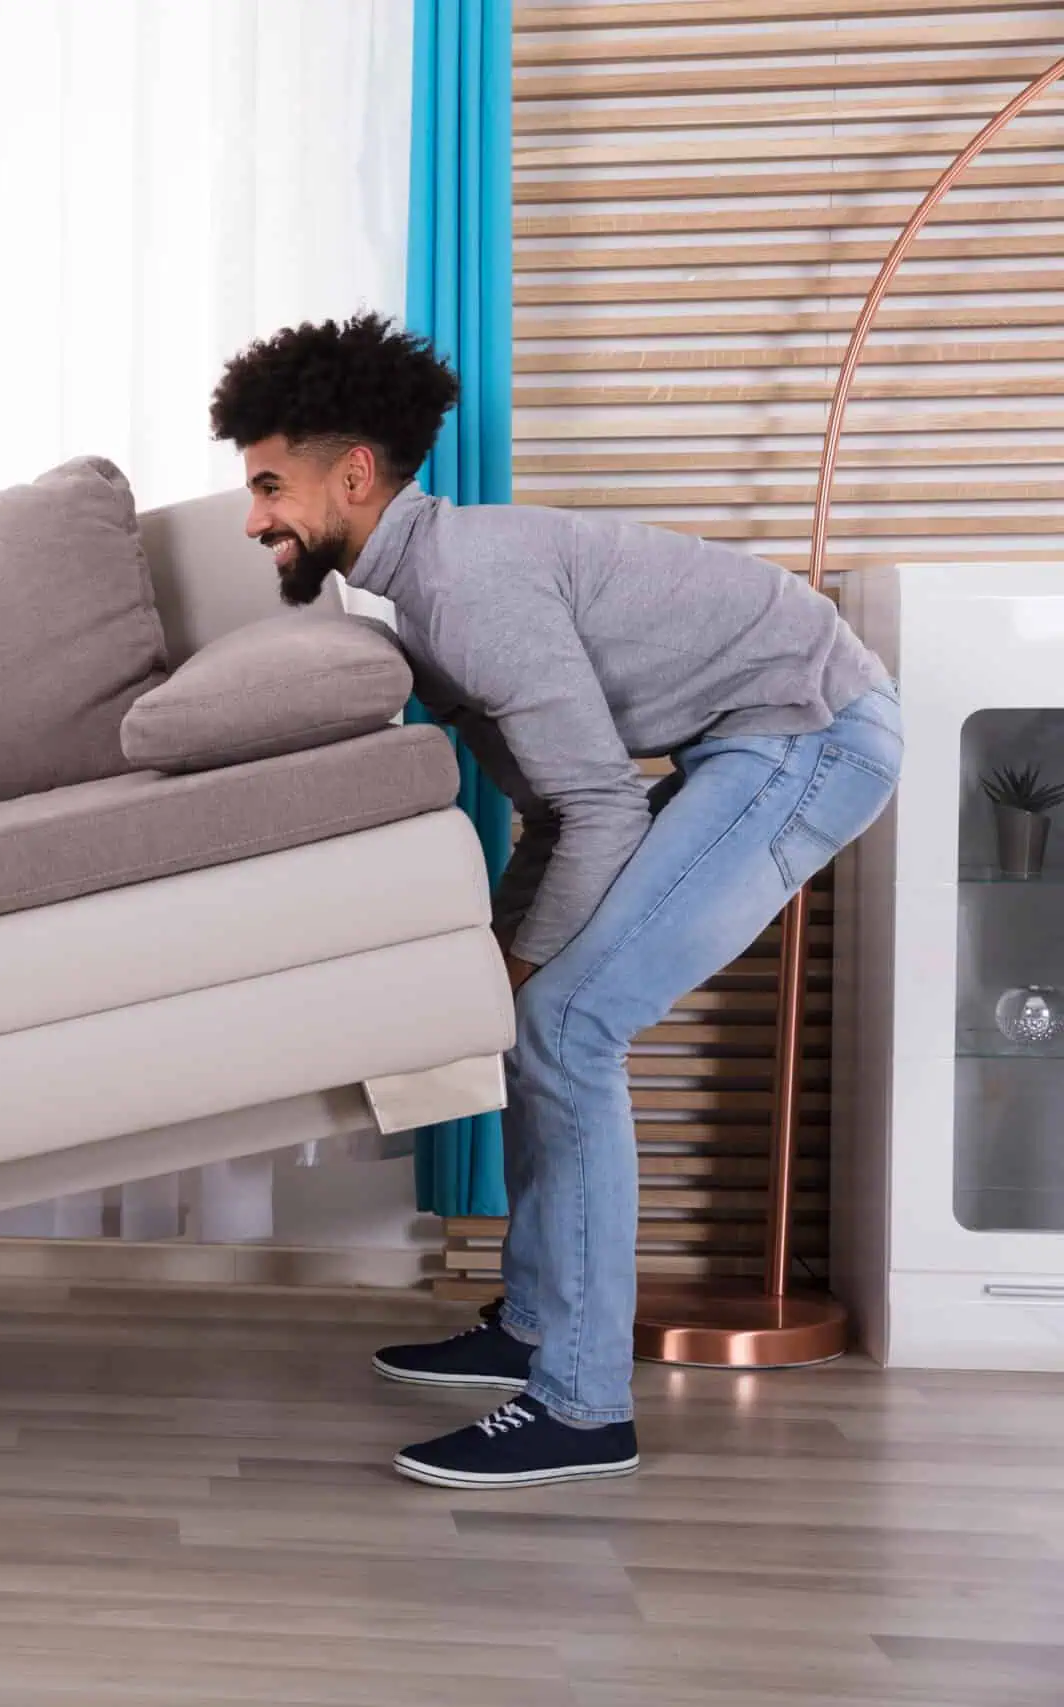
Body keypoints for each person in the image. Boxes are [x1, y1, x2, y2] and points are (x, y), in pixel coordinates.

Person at [210, 315, 899, 1488]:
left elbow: (602, 809)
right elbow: (559, 814)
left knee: (570, 1029)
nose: (254, 518)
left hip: (808, 737)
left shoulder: (465, 589)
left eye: (270, 485)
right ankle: (531, 1325)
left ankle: (582, 1405)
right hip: (742, 744)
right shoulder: (420, 604)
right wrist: (500, 964)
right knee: (535, 1018)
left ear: (355, 476)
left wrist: (526, 970)